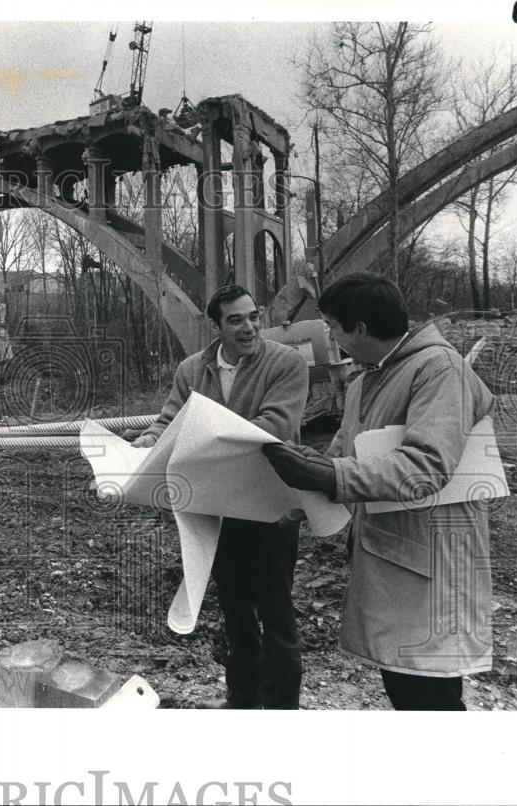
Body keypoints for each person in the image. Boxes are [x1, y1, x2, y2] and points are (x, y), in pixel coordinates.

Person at [262, 271, 494, 710]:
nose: (328, 335)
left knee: (431, 695)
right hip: (394, 561)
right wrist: (296, 497)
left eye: (332, 325)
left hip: (433, 561)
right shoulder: (366, 380)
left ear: (361, 329)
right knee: (405, 686)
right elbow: (340, 453)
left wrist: (328, 478)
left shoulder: (438, 370)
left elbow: (426, 466)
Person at [133, 284, 309, 709]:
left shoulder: (286, 364)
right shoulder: (193, 369)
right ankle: (242, 702)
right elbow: (170, 421)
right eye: (236, 320)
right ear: (217, 326)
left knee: (277, 616)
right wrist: (145, 445)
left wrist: (199, 442)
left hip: (268, 507)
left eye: (254, 316)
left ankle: (282, 713)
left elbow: (274, 427)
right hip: (215, 509)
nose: (249, 327)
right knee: (235, 613)